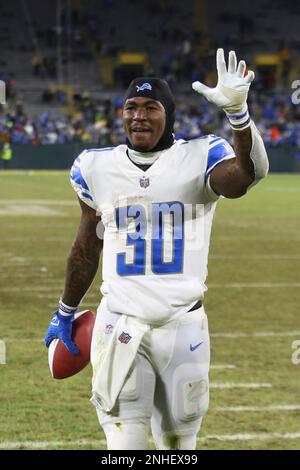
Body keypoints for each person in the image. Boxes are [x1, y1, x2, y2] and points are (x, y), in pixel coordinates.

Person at [45, 49, 269, 450]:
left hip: (183, 325)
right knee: (124, 444)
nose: (139, 116)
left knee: (179, 444)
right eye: (131, 107)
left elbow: (247, 176)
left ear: (168, 115)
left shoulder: (200, 156)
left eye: (151, 107)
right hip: (120, 324)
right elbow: (85, 245)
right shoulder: (95, 168)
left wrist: (239, 115)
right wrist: (65, 310)